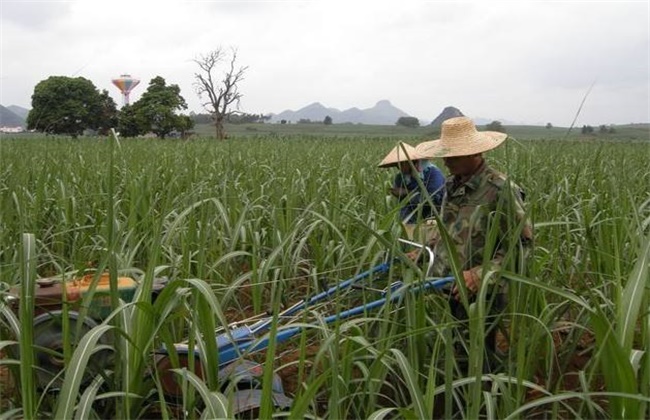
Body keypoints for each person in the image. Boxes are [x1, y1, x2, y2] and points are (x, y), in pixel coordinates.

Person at [412, 116, 533, 372]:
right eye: (446, 155)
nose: (446, 161)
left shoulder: (500, 190)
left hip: (481, 294)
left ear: (475, 152)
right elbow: (447, 230)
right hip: (445, 284)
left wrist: (480, 274)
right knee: (451, 353)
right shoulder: (451, 184)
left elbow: (522, 247)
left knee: (476, 359)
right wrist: (427, 249)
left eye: (454, 156)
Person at [378, 142, 445, 224]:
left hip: (432, 217)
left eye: (402, 164)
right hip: (408, 218)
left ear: (412, 162)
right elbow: (402, 202)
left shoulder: (433, 174)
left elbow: (433, 200)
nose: (399, 168)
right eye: (397, 165)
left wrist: (406, 193)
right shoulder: (400, 177)